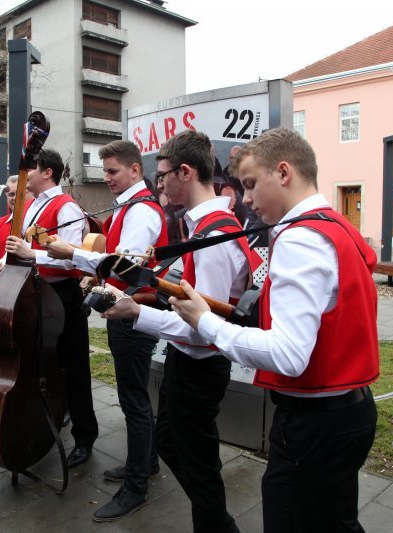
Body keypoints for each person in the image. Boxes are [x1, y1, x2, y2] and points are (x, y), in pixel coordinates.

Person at [170, 127, 379, 532]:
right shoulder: (335, 225)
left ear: (283, 172)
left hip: (313, 423)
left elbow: (287, 355)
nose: (245, 199)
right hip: (349, 412)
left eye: (250, 184)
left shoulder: (300, 239)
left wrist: (206, 322)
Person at [103, 130, 252, 533]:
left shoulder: (215, 234)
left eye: (164, 174)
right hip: (184, 362)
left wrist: (136, 312)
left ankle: (219, 526)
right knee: (173, 445)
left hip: (200, 367)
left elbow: (206, 328)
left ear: (185, 172)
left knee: (198, 464)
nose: (159, 183)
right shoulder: (200, 226)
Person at [43, 140, 167, 522]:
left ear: (134, 170)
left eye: (113, 171)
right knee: (136, 396)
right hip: (130, 310)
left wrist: (72, 253)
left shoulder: (141, 211)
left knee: (133, 400)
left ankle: (136, 487)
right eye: (105, 171)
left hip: (134, 312)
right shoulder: (132, 207)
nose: (107, 178)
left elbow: (123, 265)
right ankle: (144, 465)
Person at [4, 148, 99, 469]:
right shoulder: (30, 206)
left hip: (62, 294)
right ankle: (51, 419)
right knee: (43, 365)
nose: (24, 175)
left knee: (74, 368)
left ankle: (85, 437)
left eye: (30, 168)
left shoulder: (66, 206)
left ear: (47, 172)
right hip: (35, 293)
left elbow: (72, 255)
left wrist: (31, 254)